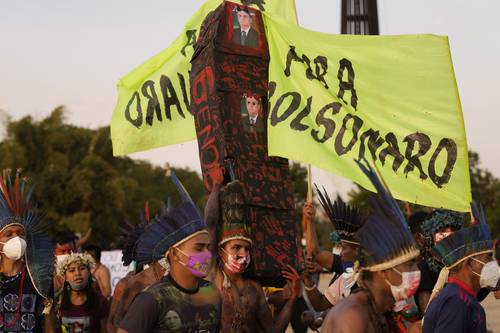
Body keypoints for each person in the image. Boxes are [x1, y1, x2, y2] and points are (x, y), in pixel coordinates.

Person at [322, 160, 421, 333]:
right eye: (409, 264)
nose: (415, 271)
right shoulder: (352, 318)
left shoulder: (380, 311)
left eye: (414, 262)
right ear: (383, 272)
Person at [118, 171, 221, 333]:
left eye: (208, 248)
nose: (207, 255)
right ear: (174, 254)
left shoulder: (212, 293)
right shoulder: (152, 300)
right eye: (199, 248)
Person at [210, 180, 301, 333]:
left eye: (247, 249)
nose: (243, 254)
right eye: (236, 248)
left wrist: (292, 299)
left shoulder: (254, 289)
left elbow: (274, 331)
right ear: (220, 252)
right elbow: (210, 223)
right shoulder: (213, 276)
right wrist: (216, 186)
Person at [422, 204, 499, 333]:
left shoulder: (462, 297)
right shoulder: (456, 302)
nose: (493, 263)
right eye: (488, 258)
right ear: (469, 263)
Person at [0, 169, 57, 332]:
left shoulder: (40, 279)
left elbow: (49, 327)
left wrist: (49, 310)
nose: (16, 239)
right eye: (8, 234)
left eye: (21, 233)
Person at [302, 189, 366, 312]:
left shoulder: (379, 276)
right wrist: (309, 221)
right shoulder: (346, 276)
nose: (340, 252)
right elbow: (316, 253)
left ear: (357, 251)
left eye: (344, 248)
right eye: (340, 247)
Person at [415, 210, 464, 315]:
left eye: (453, 229)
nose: (449, 234)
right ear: (431, 237)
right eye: (441, 230)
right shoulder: (424, 268)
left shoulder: (463, 264)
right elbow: (427, 312)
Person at [56, 253, 109, 333]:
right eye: (72, 270)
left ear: (89, 273)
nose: (77, 273)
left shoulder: (101, 302)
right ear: (65, 277)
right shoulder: (57, 303)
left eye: (82, 268)